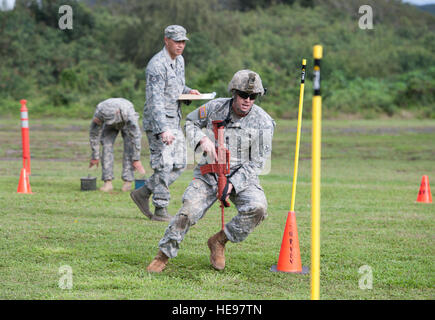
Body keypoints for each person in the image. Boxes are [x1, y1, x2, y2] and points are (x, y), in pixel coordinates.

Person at [146, 70, 275, 272]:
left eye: (253, 96)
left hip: (240, 176)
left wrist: (233, 184)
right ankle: (163, 255)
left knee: (258, 207)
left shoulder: (264, 122)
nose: (248, 100)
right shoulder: (215, 108)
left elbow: (256, 163)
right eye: (243, 95)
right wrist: (201, 139)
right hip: (209, 173)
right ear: (234, 93)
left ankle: (219, 241)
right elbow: (190, 122)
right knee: (188, 210)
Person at [130, 25, 200, 222]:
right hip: (159, 121)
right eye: (177, 41)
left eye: (183, 41)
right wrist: (163, 130)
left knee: (179, 163)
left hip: (174, 118)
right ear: (166, 40)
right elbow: (155, 101)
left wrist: (189, 91)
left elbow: (175, 87)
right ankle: (160, 209)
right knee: (164, 164)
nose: (180, 45)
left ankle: (143, 192)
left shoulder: (179, 61)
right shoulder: (156, 65)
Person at [89, 98, 146, 192]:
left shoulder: (129, 113)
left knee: (129, 148)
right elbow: (94, 133)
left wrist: (136, 159)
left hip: (125, 120)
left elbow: (136, 136)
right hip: (108, 125)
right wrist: (95, 156)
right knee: (106, 146)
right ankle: (107, 183)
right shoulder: (100, 112)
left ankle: (127, 182)